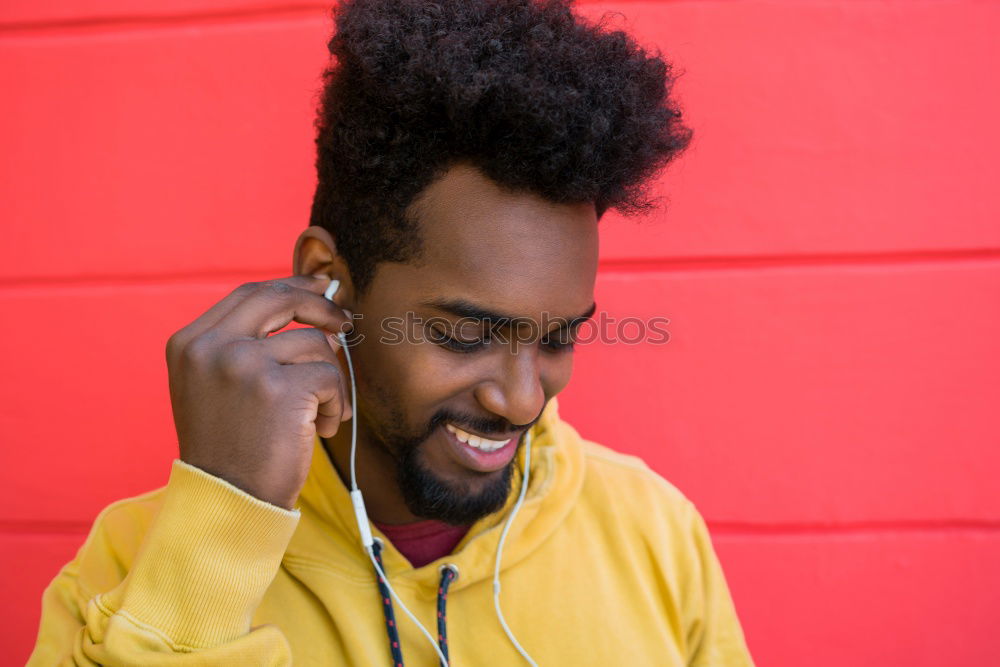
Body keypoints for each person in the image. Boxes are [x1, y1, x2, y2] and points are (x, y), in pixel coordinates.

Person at [28, 0, 755, 664]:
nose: (523, 400)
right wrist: (215, 545)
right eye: (467, 336)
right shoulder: (132, 567)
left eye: (558, 336)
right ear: (327, 279)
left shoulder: (656, 534)